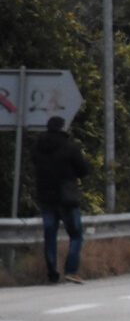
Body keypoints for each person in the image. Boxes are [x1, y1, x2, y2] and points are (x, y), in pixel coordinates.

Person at [33, 116, 89, 284]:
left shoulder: (37, 147)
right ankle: (71, 270)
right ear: (63, 128)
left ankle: (52, 273)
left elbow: (34, 164)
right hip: (66, 198)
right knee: (76, 234)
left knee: (50, 235)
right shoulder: (69, 147)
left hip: (45, 197)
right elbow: (84, 169)